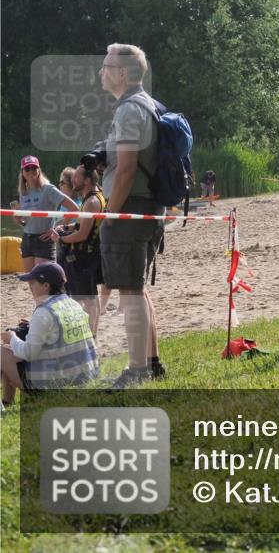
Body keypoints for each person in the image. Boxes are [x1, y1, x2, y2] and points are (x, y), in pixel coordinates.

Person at [98, 43, 167, 387]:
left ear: (122, 73)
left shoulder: (129, 109)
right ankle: (151, 364)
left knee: (128, 291)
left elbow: (125, 171)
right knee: (137, 289)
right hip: (150, 207)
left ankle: (137, 369)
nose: (101, 72)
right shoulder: (150, 104)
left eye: (106, 66)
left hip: (130, 207)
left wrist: (110, 214)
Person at [1, 263, 99, 407]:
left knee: (3, 352)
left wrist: (12, 338)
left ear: (46, 286)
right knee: (14, 349)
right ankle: (7, 402)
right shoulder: (73, 305)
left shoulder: (43, 312)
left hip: (56, 385)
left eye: (33, 283)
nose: (30, 287)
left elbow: (29, 354)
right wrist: (31, 325)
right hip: (84, 377)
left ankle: (7, 402)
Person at [46, 162, 107, 338]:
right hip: (86, 255)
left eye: (77, 176)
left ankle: (91, 336)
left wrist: (61, 238)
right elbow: (82, 225)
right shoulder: (91, 198)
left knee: (88, 300)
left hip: (85, 257)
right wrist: (65, 228)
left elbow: (82, 234)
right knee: (83, 298)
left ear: (87, 180)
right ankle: (87, 334)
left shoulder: (92, 201)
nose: (73, 179)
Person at [15, 156, 77, 272]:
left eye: (34, 168)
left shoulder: (48, 189)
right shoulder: (23, 193)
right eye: (27, 169)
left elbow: (75, 209)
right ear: (22, 172)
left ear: (39, 170)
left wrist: (58, 228)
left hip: (44, 239)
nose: (31, 171)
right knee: (32, 282)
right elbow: (25, 223)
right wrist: (18, 220)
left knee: (43, 281)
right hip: (27, 239)